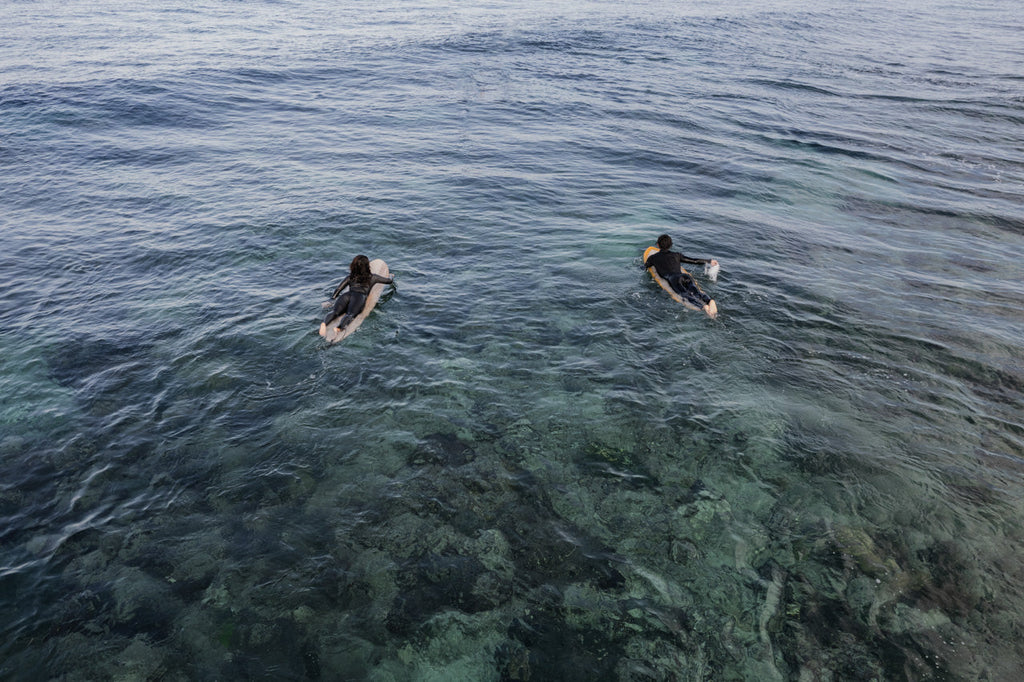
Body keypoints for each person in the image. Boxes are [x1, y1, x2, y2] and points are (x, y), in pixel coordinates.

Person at [644, 234, 718, 317]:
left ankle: (703, 306)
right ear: (671, 245)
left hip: (674, 280)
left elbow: (645, 267)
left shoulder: (653, 258)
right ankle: (709, 300)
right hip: (685, 276)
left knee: (686, 295)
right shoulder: (677, 255)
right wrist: (709, 261)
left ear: (658, 245)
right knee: (697, 291)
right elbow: (694, 261)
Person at [321, 255, 394, 334]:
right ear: (367, 267)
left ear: (353, 266)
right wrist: (391, 276)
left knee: (334, 312)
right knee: (350, 315)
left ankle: (324, 323)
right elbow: (389, 281)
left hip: (346, 295)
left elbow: (338, 289)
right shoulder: (373, 277)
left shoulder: (350, 277)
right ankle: (339, 328)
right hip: (358, 298)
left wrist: (333, 298)